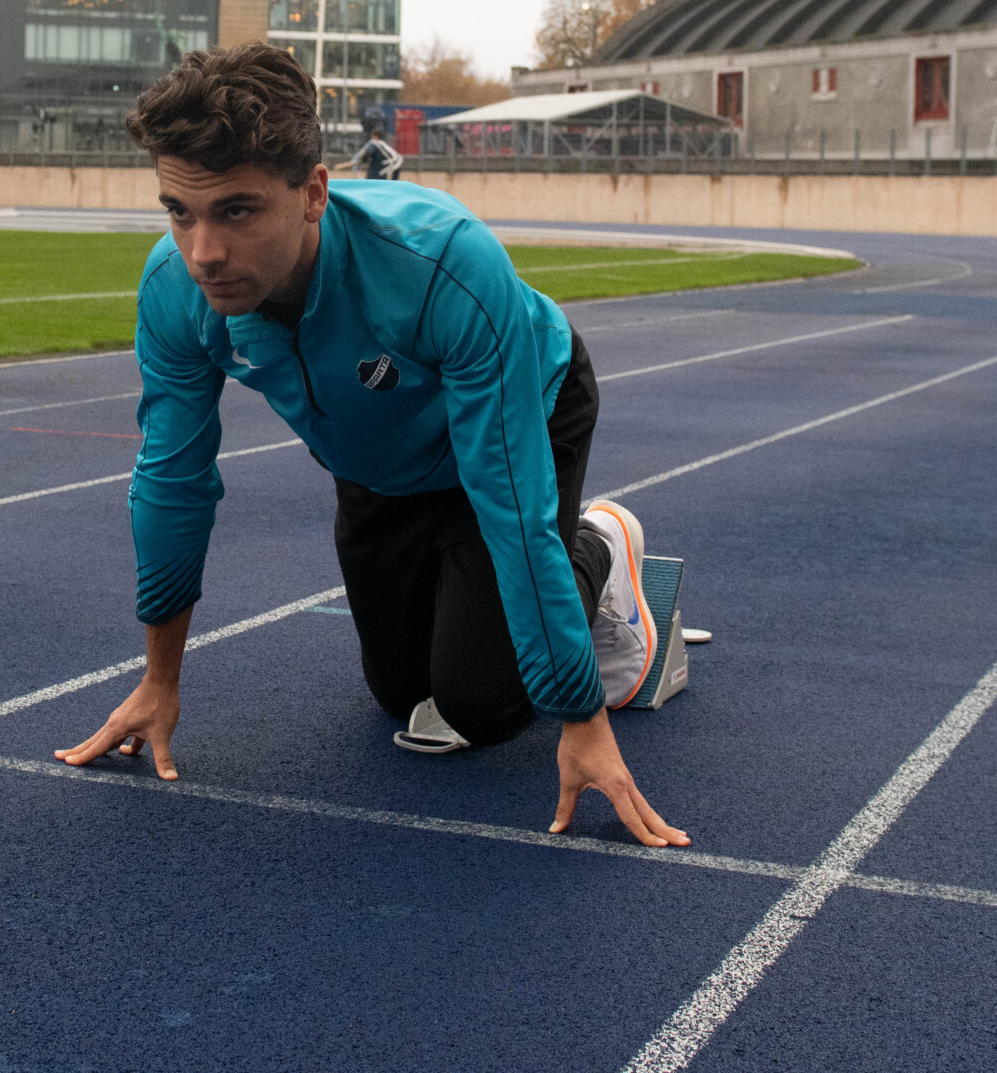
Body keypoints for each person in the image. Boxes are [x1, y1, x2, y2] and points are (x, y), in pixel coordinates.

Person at [57, 43, 688, 848]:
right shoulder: (176, 290)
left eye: (237, 211)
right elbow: (172, 481)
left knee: (481, 705)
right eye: (179, 211)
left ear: (314, 192)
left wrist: (583, 714)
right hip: (378, 458)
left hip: (517, 412)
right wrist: (159, 679)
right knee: (399, 691)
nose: (203, 251)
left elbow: (509, 500)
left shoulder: (443, 264)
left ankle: (601, 544)